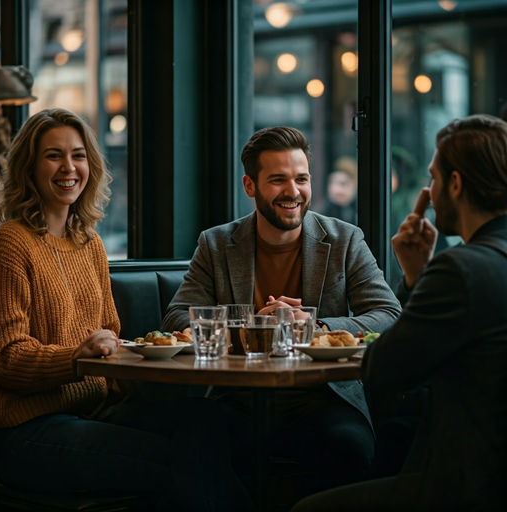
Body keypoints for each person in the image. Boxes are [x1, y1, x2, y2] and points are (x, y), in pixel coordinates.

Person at [0, 108, 252, 511]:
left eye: (78, 155)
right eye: (53, 155)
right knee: (185, 461)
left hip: (95, 411)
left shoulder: (90, 243)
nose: (69, 167)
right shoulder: (11, 244)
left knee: (215, 421)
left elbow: (110, 336)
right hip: (27, 428)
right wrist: (75, 358)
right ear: (29, 166)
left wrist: (146, 358)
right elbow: (6, 358)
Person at [162, 126, 402, 504]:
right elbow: (176, 318)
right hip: (236, 400)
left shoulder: (344, 239)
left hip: (323, 400)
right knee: (193, 431)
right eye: (277, 180)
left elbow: (389, 314)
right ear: (250, 185)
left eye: (301, 179)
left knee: (349, 447)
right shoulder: (216, 243)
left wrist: (317, 326)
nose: (293, 192)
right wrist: (254, 327)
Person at [291, 114, 507, 511]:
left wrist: (420, 279)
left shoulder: (461, 269)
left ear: (455, 184)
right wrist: (418, 274)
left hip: (468, 483)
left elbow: (384, 371)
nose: (429, 189)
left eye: (434, 178)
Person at [323, 156, 357, 224]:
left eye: (343, 183)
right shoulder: (323, 214)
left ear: (354, 184)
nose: (336, 190)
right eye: (332, 183)